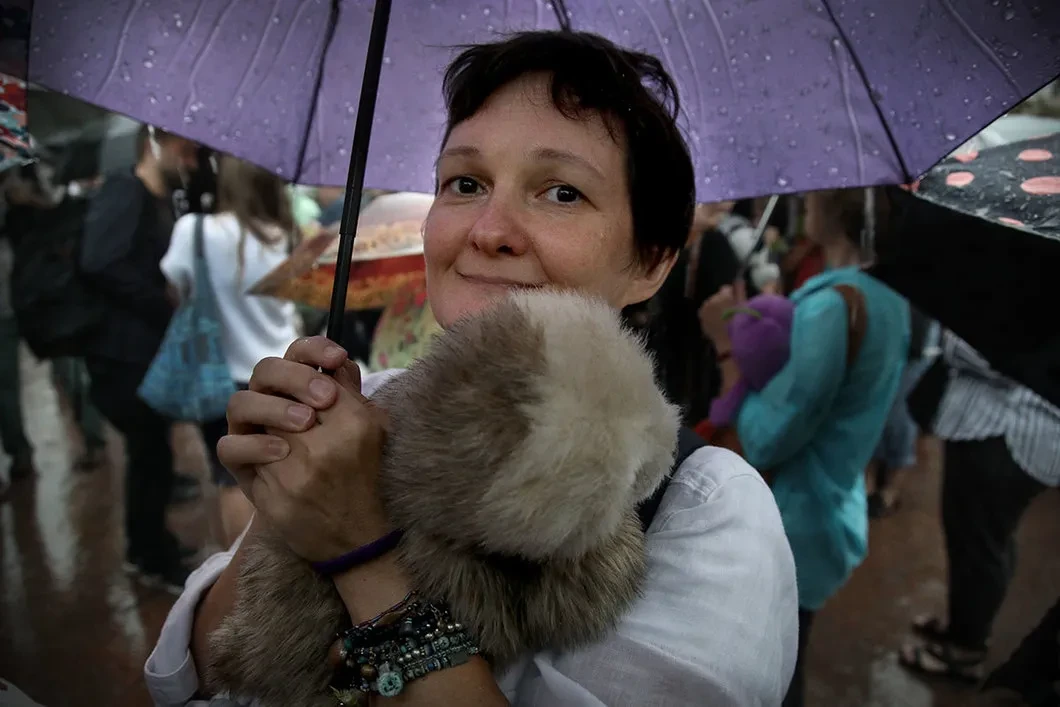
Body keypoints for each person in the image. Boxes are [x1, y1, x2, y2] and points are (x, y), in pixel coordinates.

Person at [145, 31, 798, 706]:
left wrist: (362, 555)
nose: (488, 230)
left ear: (651, 261)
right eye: (465, 183)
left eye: (562, 192)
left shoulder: (708, 511)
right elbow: (196, 677)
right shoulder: (363, 409)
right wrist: (288, 504)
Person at [699, 188, 911, 707]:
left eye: (813, 199)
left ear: (832, 210)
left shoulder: (832, 307)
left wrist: (727, 344)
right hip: (830, 504)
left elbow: (769, 437)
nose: (805, 206)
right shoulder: (890, 298)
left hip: (791, 514)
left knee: (764, 672)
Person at [899, 332, 1060, 683]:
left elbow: (978, 353)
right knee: (989, 538)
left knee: (977, 544)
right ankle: (966, 625)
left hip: (1005, 433)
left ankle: (965, 650)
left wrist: (953, 342)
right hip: (1016, 433)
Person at [80, 125, 200, 592]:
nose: (190, 164)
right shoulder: (125, 191)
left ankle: (150, 544)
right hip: (120, 354)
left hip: (142, 350)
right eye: (185, 152)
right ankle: (150, 555)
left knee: (152, 453)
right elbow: (99, 262)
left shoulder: (156, 199)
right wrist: (160, 300)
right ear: (156, 143)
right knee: (147, 455)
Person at [160, 155, 302, 549]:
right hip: (284, 372)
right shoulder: (285, 234)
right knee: (283, 471)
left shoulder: (194, 231)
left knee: (232, 478)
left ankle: (238, 573)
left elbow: (174, 289)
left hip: (222, 376)